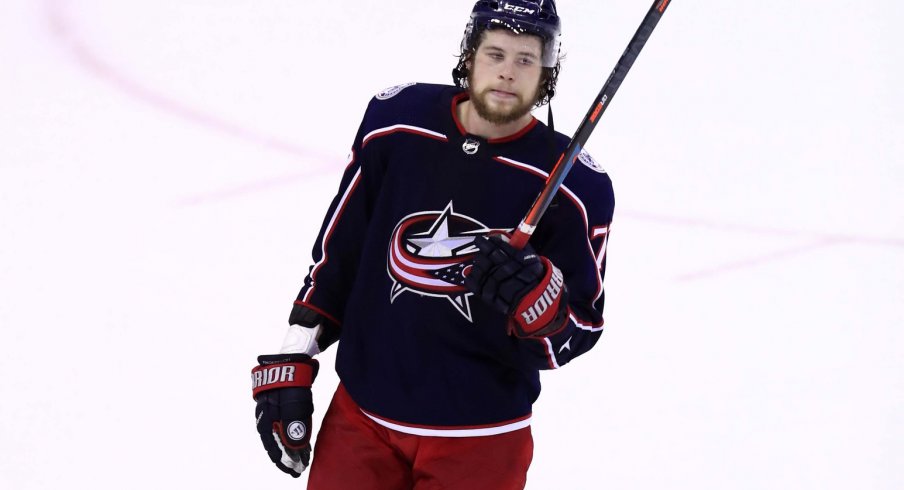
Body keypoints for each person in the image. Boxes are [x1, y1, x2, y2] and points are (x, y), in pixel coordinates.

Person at [251, 1, 614, 488]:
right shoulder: (397, 124)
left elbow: (579, 328)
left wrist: (541, 308)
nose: (508, 73)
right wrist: (296, 349)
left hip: (481, 439)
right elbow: (342, 250)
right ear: (469, 55)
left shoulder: (575, 187)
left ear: (547, 72)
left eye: (526, 59)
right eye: (495, 54)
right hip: (362, 419)